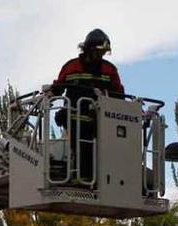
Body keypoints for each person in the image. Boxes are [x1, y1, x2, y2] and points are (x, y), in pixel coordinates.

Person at [52, 28, 125, 186]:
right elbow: (57, 88)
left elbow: (119, 94)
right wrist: (48, 96)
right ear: (89, 49)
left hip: (101, 119)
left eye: (104, 53)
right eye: (99, 52)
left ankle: (96, 179)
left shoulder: (109, 70)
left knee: (101, 150)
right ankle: (83, 178)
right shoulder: (71, 67)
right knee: (81, 146)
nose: (101, 56)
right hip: (74, 116)